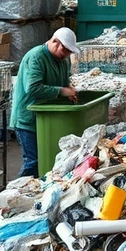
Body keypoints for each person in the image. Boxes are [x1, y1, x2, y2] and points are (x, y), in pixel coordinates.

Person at [9, 27, 81, 177]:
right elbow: (33, 88)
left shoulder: (63, 60)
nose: (67, 54)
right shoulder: (36, 57)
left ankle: (36, 192)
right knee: (33, 162)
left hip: (46, 118)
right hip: (27, 118)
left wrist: (68, 87)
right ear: (55, 42)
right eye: (66, 50)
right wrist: (62, 91)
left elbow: (64, 80)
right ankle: (14, 194)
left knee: (48, 160)